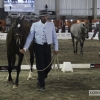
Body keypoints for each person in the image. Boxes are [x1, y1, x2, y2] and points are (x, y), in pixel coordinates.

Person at [20, 10, 58, 91]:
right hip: (38, 47)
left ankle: (41, 78)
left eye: (46, 16)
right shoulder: (34, 25)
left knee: (48, 66)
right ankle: (41, 84)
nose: (45, 18)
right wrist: (25, 48)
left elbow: (54, 37)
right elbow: (30, 37)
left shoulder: (51, 25)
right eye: (44, 16)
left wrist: (56, 48)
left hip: (47, 47)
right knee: (40, 66)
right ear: (40, 17)